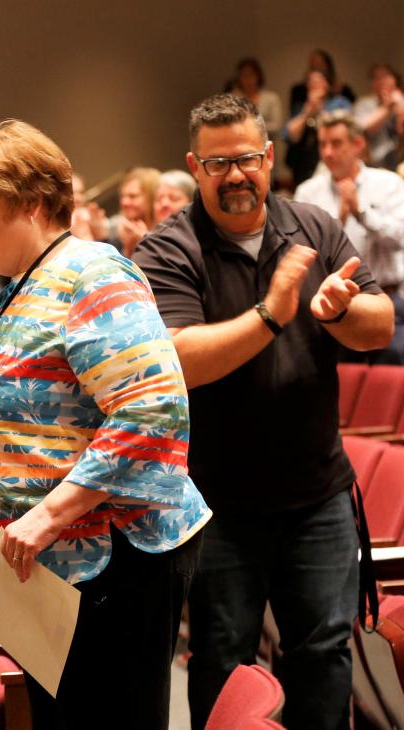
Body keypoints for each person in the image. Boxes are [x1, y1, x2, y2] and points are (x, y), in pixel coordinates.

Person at [0, 119, 210, 729]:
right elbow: (37, 411)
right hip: (54, 569)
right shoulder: (25, 282)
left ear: (32, 202)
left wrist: (49, 513)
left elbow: (152, 410)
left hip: (111, 559)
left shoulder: (92, 273)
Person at [133, 94, 394, 730]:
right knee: (224, 664)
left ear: (270, 157)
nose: (236, 175)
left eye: (247, 158)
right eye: (219, 163)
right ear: (196, 167)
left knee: (324, 657)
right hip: (220, 506)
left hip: (318, 498)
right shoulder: (167, 249)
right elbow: (179, 359)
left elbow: (379, 325)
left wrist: (340, 312)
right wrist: (274, 312)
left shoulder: (314, 226)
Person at [295, 110, 404, 364]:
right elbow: (303, 251)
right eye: (323, 144)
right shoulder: (308, 192)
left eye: (336, 143)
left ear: (357, 144)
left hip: (388, 302)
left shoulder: (388, 184)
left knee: (392, 388)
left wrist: (361, 213)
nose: (328, 153)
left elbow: (400, 237)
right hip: (332, 305)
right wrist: (338, 220)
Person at [285, 68, 353, 186]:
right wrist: (308, 111)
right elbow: (290, 134)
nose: (314, 85)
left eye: (318, 81)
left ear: (327, 84)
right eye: (310, 82)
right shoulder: (301, 106)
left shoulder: (340, 102)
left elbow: (345, 128)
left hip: (332, 159)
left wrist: (319, 108)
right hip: (303, 162)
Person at [354, 62, 404, 171]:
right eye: (377, 78)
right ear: (372, 83)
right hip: (371, 166)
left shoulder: (401, 101)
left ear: (395, 79)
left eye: (386, 76)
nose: (382, 81)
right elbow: (364, 128)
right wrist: (388, 107)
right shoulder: (364, 104)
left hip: (399, 163)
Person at [108, 166, 160, 257]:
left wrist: (146, 241)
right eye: (122, 196)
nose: (124, 202)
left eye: (132, 196)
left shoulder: (166, 231)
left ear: (152, 197)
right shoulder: (116, 231)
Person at [230, 57, 283, 145]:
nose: (247, 79)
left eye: (251, 74)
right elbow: (230, 124)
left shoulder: (271, 98)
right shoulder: (234, 98)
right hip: (240, 145)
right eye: (244, 75)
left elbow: (276, 127)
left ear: (258, 76)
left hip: (264, 144)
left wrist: (250, 125)